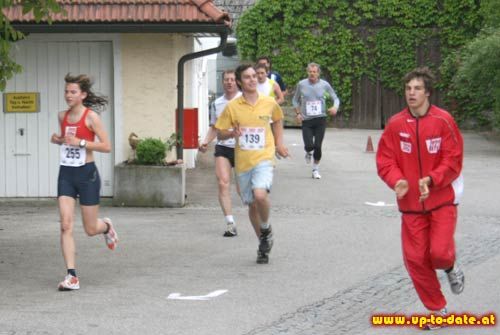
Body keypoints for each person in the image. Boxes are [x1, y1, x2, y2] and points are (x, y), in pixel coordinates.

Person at [376, 67, 465, 329]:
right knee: (415, 259)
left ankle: (449, 266)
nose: (411, 93)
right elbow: (385, 160)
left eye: (417, 88)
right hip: (411, 206)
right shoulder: (395, 124)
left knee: (437, 253)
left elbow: (453, 159)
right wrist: (397, 181)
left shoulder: (444, 120)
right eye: (408, 88)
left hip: (442, 200)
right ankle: (438, 311)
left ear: (427, 93)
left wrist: (432, 179)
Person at [50, 74, 118, 291]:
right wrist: (58, 140)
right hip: (66, 174)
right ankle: (72, 276)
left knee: (90, 229)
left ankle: (106, 226)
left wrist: (80, 142)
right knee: (65, 224)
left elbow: (106, 146)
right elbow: (66, 141)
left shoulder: (91, 118)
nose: (68, 95)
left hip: (87, 174)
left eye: (73, 92)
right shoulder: (62, 116)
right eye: (66, 91)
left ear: (83, 95)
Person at [215, 64, 289, 264]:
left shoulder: (268, 102)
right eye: (247, 77)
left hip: (264, 157)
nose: (252, 80)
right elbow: (220, 132)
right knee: (252, 205)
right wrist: (232, 133)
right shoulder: (232, 107)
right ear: (240, 82)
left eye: (254, 76)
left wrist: (279, 144)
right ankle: (263, 244)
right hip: (243, 162)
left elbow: (278, 120)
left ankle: (265, 229)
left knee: (260, 194)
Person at [199, 70, 241, 237]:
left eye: (232, 79)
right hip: (223, 147)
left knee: (241, 189)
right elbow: (214, 128)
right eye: (226, 80)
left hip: (241, 149)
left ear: (237, 82)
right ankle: (230, 222)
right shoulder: (217, 103)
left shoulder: (244, 100)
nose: (229, 82)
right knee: (223, 183)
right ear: (222, 82)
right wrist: (205, 141)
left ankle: (257, 212)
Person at [292, 62, 340, 179]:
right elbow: (295, 100)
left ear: (318, 73)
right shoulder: (301, 84)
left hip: (320, 119)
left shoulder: (325, 85)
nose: (312, 74)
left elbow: (335, 98)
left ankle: (315, 170)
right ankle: (308, 152)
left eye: (314, 72)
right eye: (310, 72)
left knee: (318, 146)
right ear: (307, 72)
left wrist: (335, 107)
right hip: (307, 120)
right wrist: (298, 113)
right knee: (309, 145)